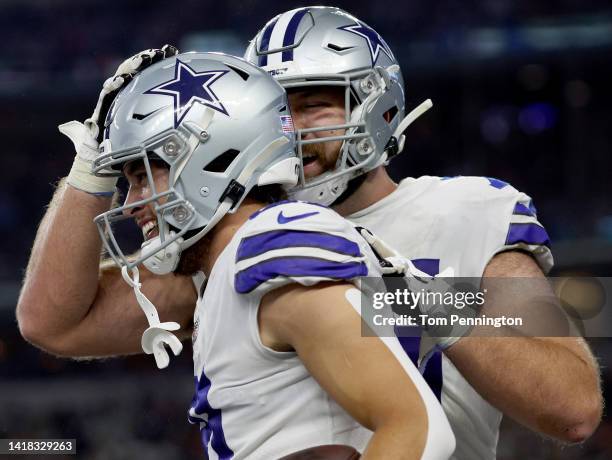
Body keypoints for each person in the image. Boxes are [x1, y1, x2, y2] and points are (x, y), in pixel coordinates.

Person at [17, 50, 455, 459]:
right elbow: (47, 322)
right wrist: (88, 166)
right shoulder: (230, 266)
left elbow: (417, 428)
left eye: (145, 174)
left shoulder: (272, 249)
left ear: (211, 157)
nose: (132, 202)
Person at [242, 5, 603, 459]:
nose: (291, 130)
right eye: (276, 113)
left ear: (379, 108)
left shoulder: (467, 213)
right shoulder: (234, 234)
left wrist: (432, 304)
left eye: (312, 106)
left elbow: (573, 408)